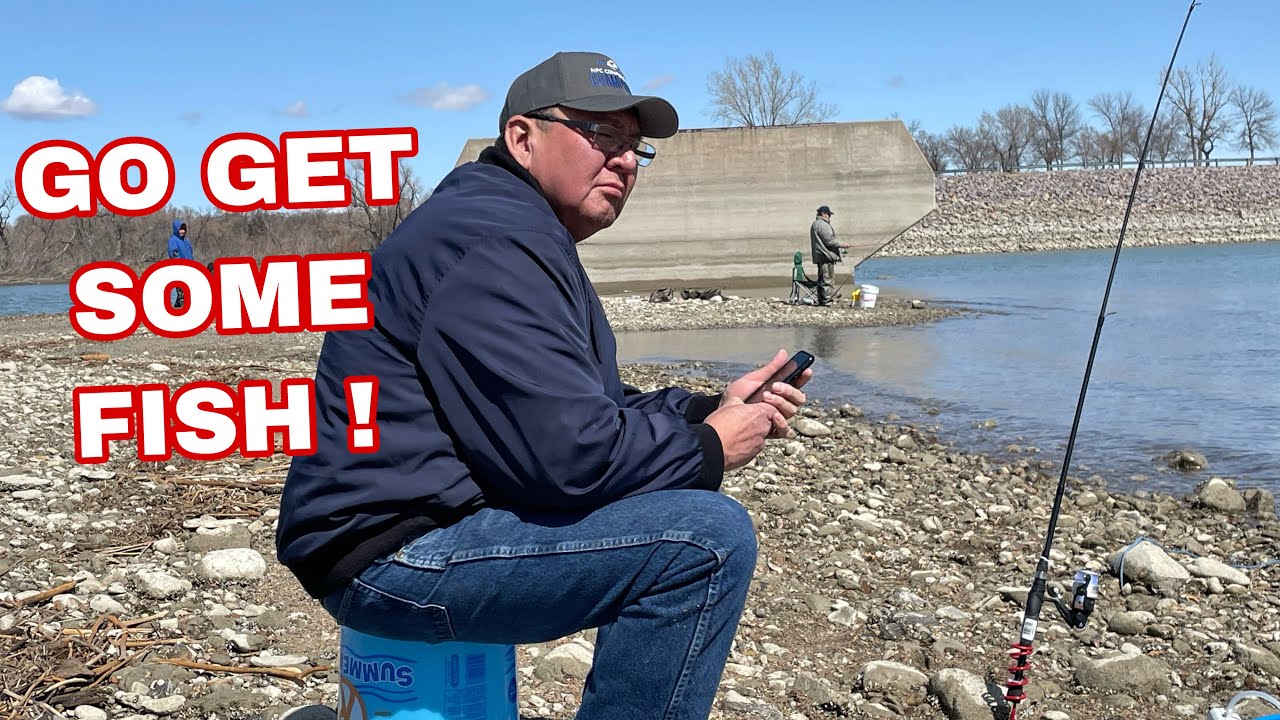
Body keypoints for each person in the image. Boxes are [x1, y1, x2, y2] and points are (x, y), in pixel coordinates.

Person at [275, 51, 813, 720]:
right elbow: (566, 459)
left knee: (693, 525)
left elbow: (596, 408)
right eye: (601, 136)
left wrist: (711, 407)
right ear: (523, 139)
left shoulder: (514, 230)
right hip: (387, 553)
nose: (622, 160)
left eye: (633, 147)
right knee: (704, 542)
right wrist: (707, 448)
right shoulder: (493, 243)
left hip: (404, 524)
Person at [810, 205, 850, 305]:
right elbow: (829, 241)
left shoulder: (815, 224)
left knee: (822, 278)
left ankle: (823, 299)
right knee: (827, 279)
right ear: (823, 214)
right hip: (825, 255)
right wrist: (842, 245)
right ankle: (827, 300)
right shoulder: (822, 225)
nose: (829, 217)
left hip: (820, 256)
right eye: (828, 214)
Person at [165, 219, 194, 308]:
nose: (182, 231)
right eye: (180, 229)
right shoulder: (173, 240)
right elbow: (174, 254)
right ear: (176, 229)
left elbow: (190, 253)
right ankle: (171, 307)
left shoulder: (186, 240)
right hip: (179, 268)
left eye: (183, 229)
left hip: (190, 268)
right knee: (176, 291)